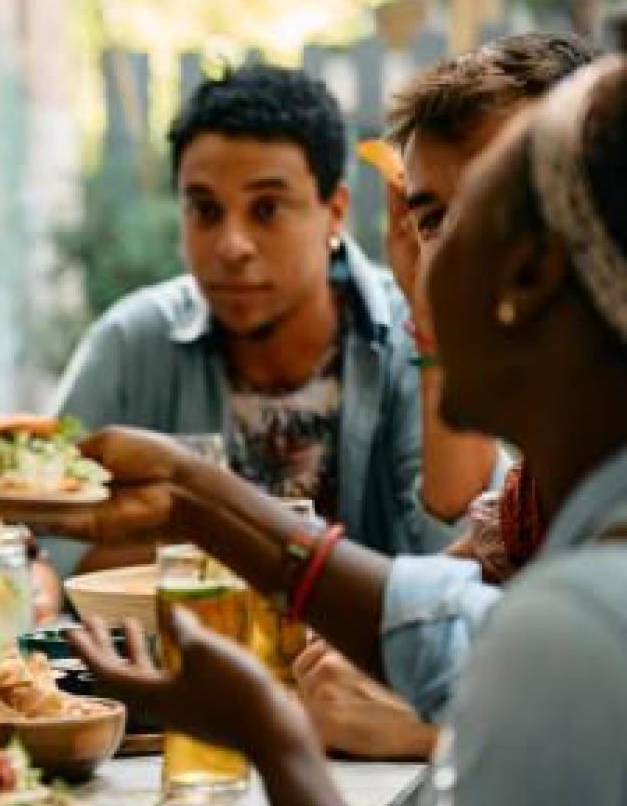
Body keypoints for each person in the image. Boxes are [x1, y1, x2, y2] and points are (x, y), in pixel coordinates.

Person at [55, 56, 627, 806]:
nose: (409, 268)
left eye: (446, 222)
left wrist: (273, 741)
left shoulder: (577, 627)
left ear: (532, 271)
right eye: (417, 218)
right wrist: (196, 496)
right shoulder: (562, 537)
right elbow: (455, 623)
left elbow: (502, 647)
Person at [294, 31, 600, 762]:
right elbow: (431, 600)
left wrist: (443, 727)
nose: (452, 257)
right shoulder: (541, 486)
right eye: (432, 220)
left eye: (502, 202)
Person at [48, 64, 476, 579]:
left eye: (267, 209)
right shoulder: (130, 342)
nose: (232, 246)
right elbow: (56, 545)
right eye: (205, 210)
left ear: (335, 210)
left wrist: (440, 333)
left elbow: (460, 553)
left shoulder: (417, 335)